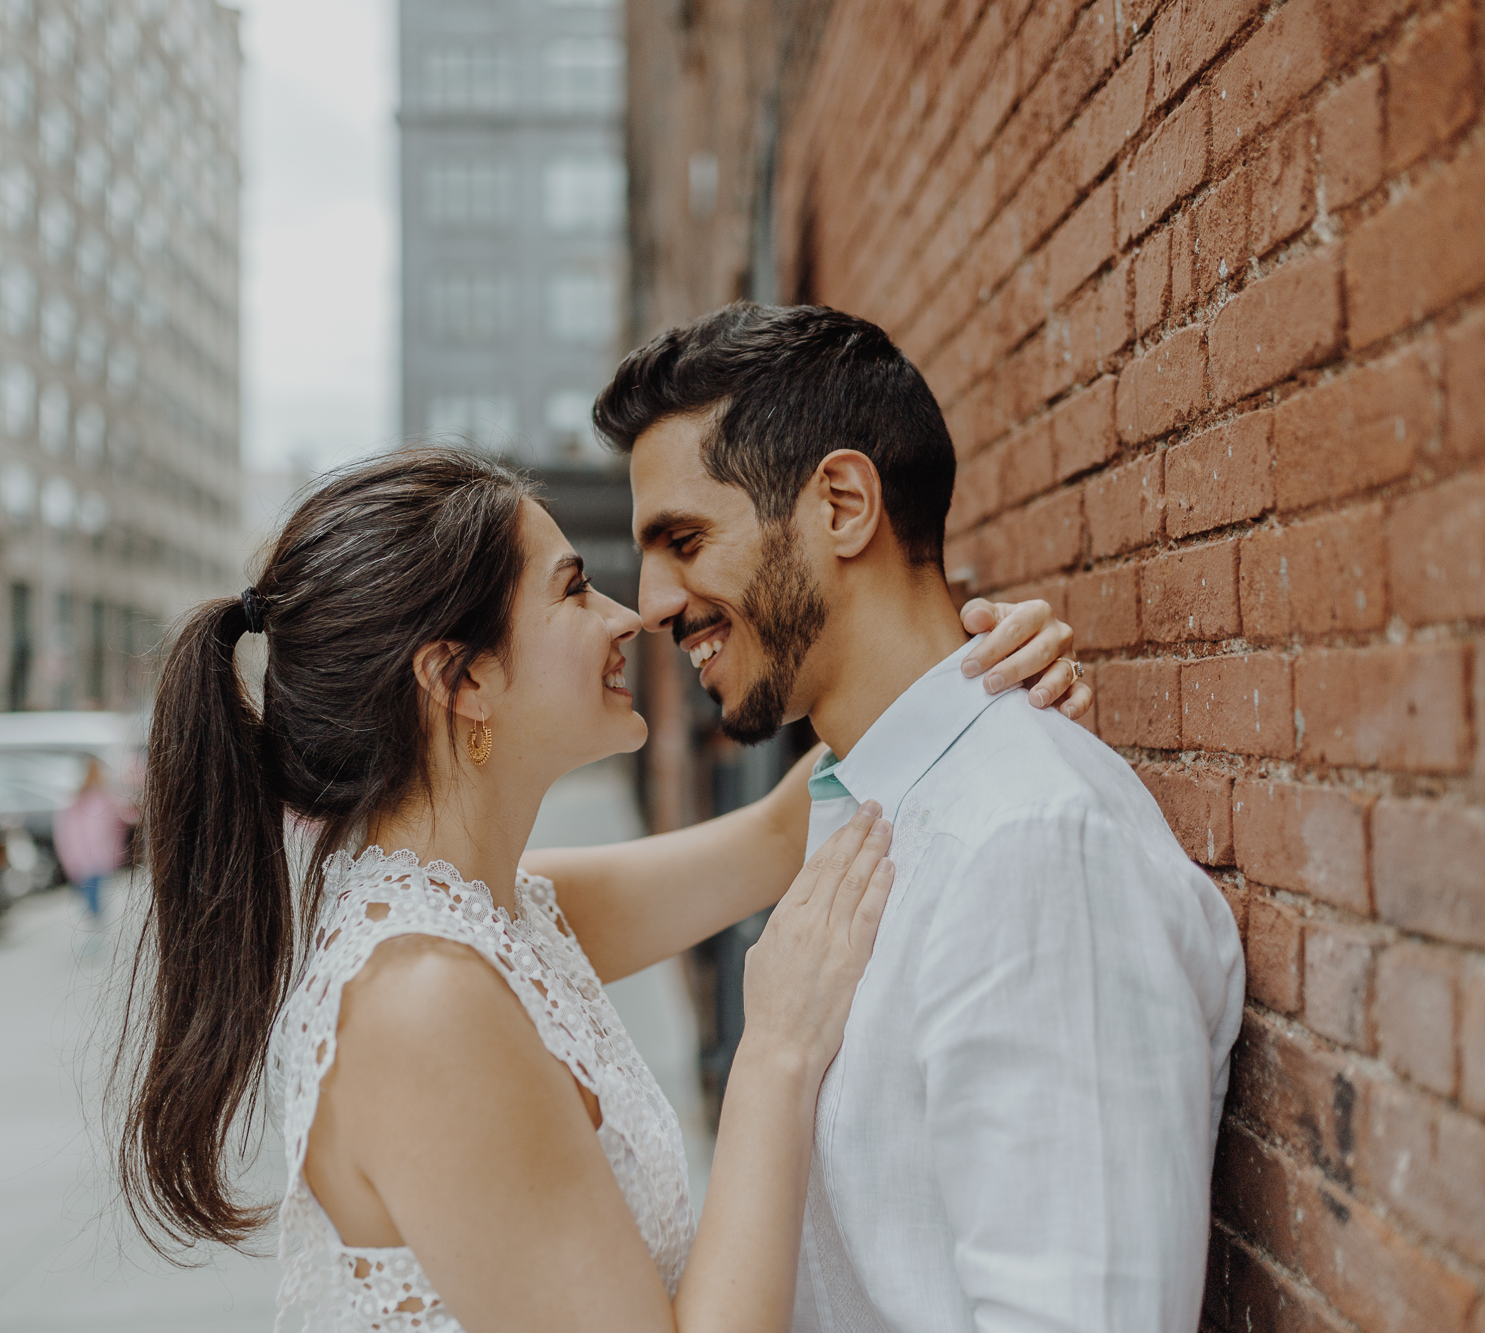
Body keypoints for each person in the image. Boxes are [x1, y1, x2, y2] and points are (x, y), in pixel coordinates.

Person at [112, 448, 1086, 1331]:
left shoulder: (497, 910)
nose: (627, 616)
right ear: (462, 681)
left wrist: (976, 665)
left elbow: (774, 836)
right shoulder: (422, 1002)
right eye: (573, 591)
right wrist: (776, 1053)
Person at [558, 302, 1245, 1333]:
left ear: (841, 503)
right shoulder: (864, 797)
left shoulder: (1032, 846)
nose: (651, 602)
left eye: (686, 539)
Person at [54, 756, 134, 926]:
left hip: (92, 855)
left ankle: (96, 925)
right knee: (92, 893)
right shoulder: (82, 802)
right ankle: (96, 925)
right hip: (88, 855)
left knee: (92, 893)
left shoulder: (97, 799)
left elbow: (121, 819)